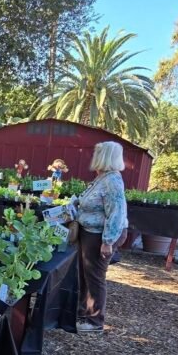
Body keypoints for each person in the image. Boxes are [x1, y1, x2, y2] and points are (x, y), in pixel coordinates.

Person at [71, 142, 128, 333]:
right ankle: (83, 314)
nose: (94, 157)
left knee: (95, 278)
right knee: (86, 276)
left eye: (98, 154)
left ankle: (95, 322)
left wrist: (108, 241)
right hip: (89, 233)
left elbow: (117, 213)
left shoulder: (112, 181)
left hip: (98, 236)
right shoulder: (103, 178)